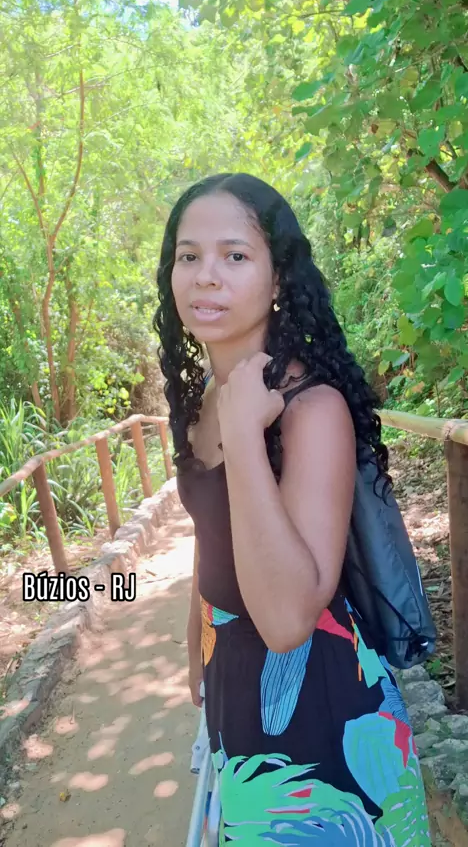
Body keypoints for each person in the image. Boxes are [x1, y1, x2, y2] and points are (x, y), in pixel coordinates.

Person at [153, 172, 431, 845]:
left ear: (278, 278)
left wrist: (246, 436)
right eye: (189, 255)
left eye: (235, 255)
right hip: (235, 692)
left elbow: (286, 623)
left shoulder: (312, 410)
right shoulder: (202, 399)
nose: (206, 275)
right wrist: (197, 647)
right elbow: (214, 531)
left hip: (324, 717)